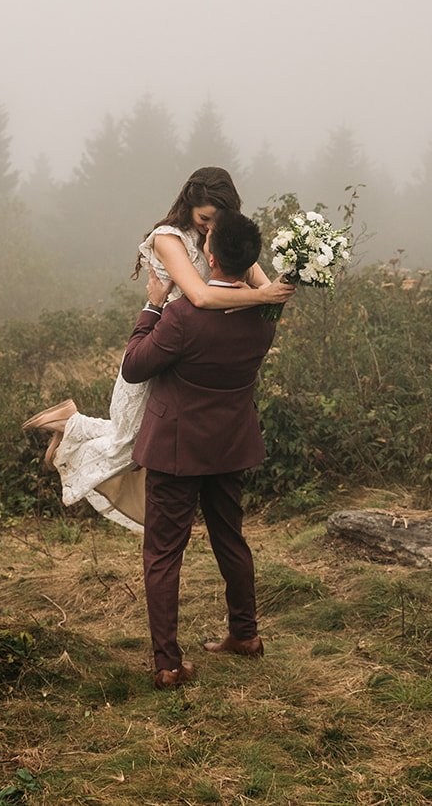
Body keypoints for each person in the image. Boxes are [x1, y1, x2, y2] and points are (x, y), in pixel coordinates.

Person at [23, 168, 293, 532]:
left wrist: (285, 279)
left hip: (191, 356)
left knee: (131, 444)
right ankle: (70, 425)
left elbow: (264, 288)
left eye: (218, 222)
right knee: (129, 442)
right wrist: (257, 295)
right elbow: (199, 295)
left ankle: (70, 424)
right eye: (204, 219)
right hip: (164, 346)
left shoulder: (219, 239)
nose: (208, 229)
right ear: (190, 205)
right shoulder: (168, 238)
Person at [120, 208, 276, 688]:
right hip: (230, 444)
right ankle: (245, 634)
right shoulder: (265, 312)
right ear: (252, 261)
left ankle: (168, 663)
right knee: (231, 539)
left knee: (164, 554)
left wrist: (152, 306)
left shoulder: (182, 314)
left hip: (176, 449)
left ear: (208, 254)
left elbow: (134, 366)